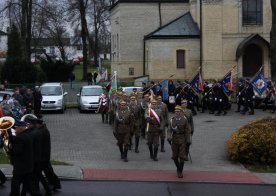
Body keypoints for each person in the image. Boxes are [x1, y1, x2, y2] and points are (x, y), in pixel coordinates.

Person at [167, 105, 191, 178]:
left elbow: (187, 130)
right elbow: (169, 130)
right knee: (174, 156)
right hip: (174, 139)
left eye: (178, 111)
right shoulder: (172, 120)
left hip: (182, 138)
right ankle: (178, 167)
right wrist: (169, 137)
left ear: (181, 112)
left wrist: (188, 140)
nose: (177, 112)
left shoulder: (184, 120)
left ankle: (180, 171)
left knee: (182, 156)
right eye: (176, 111)